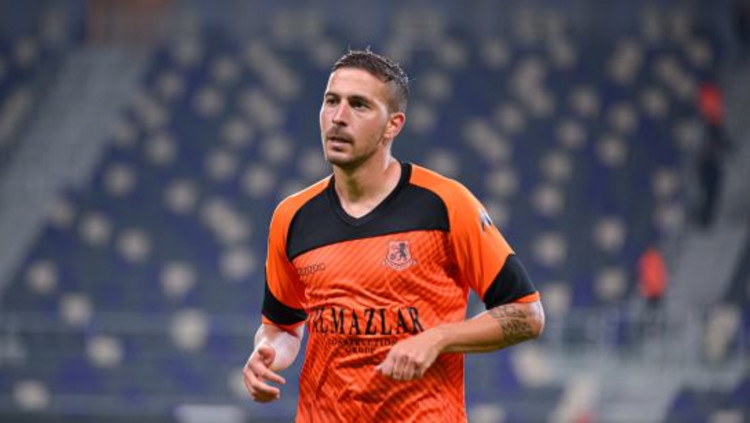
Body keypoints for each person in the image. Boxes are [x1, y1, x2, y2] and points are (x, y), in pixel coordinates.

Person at [243, 49, 545, 422]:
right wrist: (266, 353)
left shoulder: (445, 204)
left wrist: (438, 339)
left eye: (359, 105)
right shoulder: (292, 217)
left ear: (393, 125)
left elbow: (527, 315)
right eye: (331, 101)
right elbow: (281, 327)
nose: (338, 117)